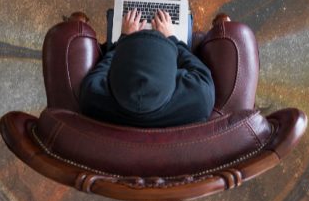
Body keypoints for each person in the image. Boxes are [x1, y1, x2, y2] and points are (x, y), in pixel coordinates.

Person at [78, 8, 215, 128]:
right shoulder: (200, 99)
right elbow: (197, 67)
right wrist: (171, 38)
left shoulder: (92, 96)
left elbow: (103, 67)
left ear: (114, 73)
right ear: (173, 72)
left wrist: (124, 38)